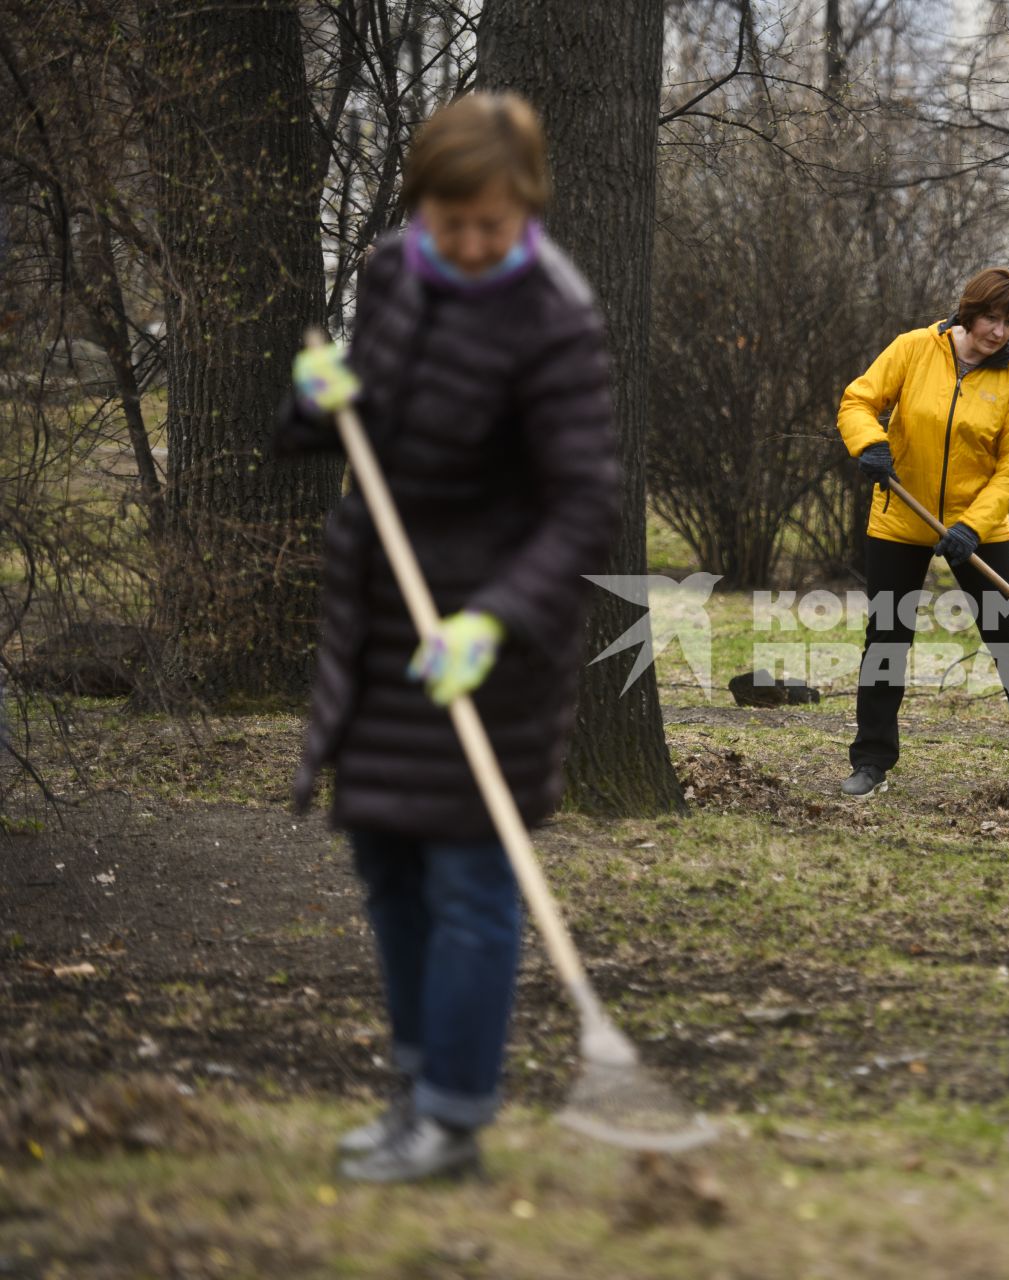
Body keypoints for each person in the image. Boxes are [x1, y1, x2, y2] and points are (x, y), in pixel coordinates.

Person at [276, 92, 620, 1182]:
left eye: (494, 223)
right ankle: (414, 1095)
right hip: (381, 627)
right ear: (422, 205)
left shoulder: (555, 319)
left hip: (490, 643)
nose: (471, 244)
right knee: (387, 860)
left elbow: (583, 506)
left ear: (529, 207)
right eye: (451, 220)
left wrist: (492, 619)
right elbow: (355, 423)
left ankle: (457, 1119)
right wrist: (317, 402)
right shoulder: (391, 270)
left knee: (471, 878)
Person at [837, 268, 1009, 799]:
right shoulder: (913, 348)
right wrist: (869, 444)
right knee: (888, 637)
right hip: (900, 518)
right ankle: (872, 759)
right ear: (968, 310)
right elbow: (858, 401)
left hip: (979, 526)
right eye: (991, 318)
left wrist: (973, 526)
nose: (999, 332)